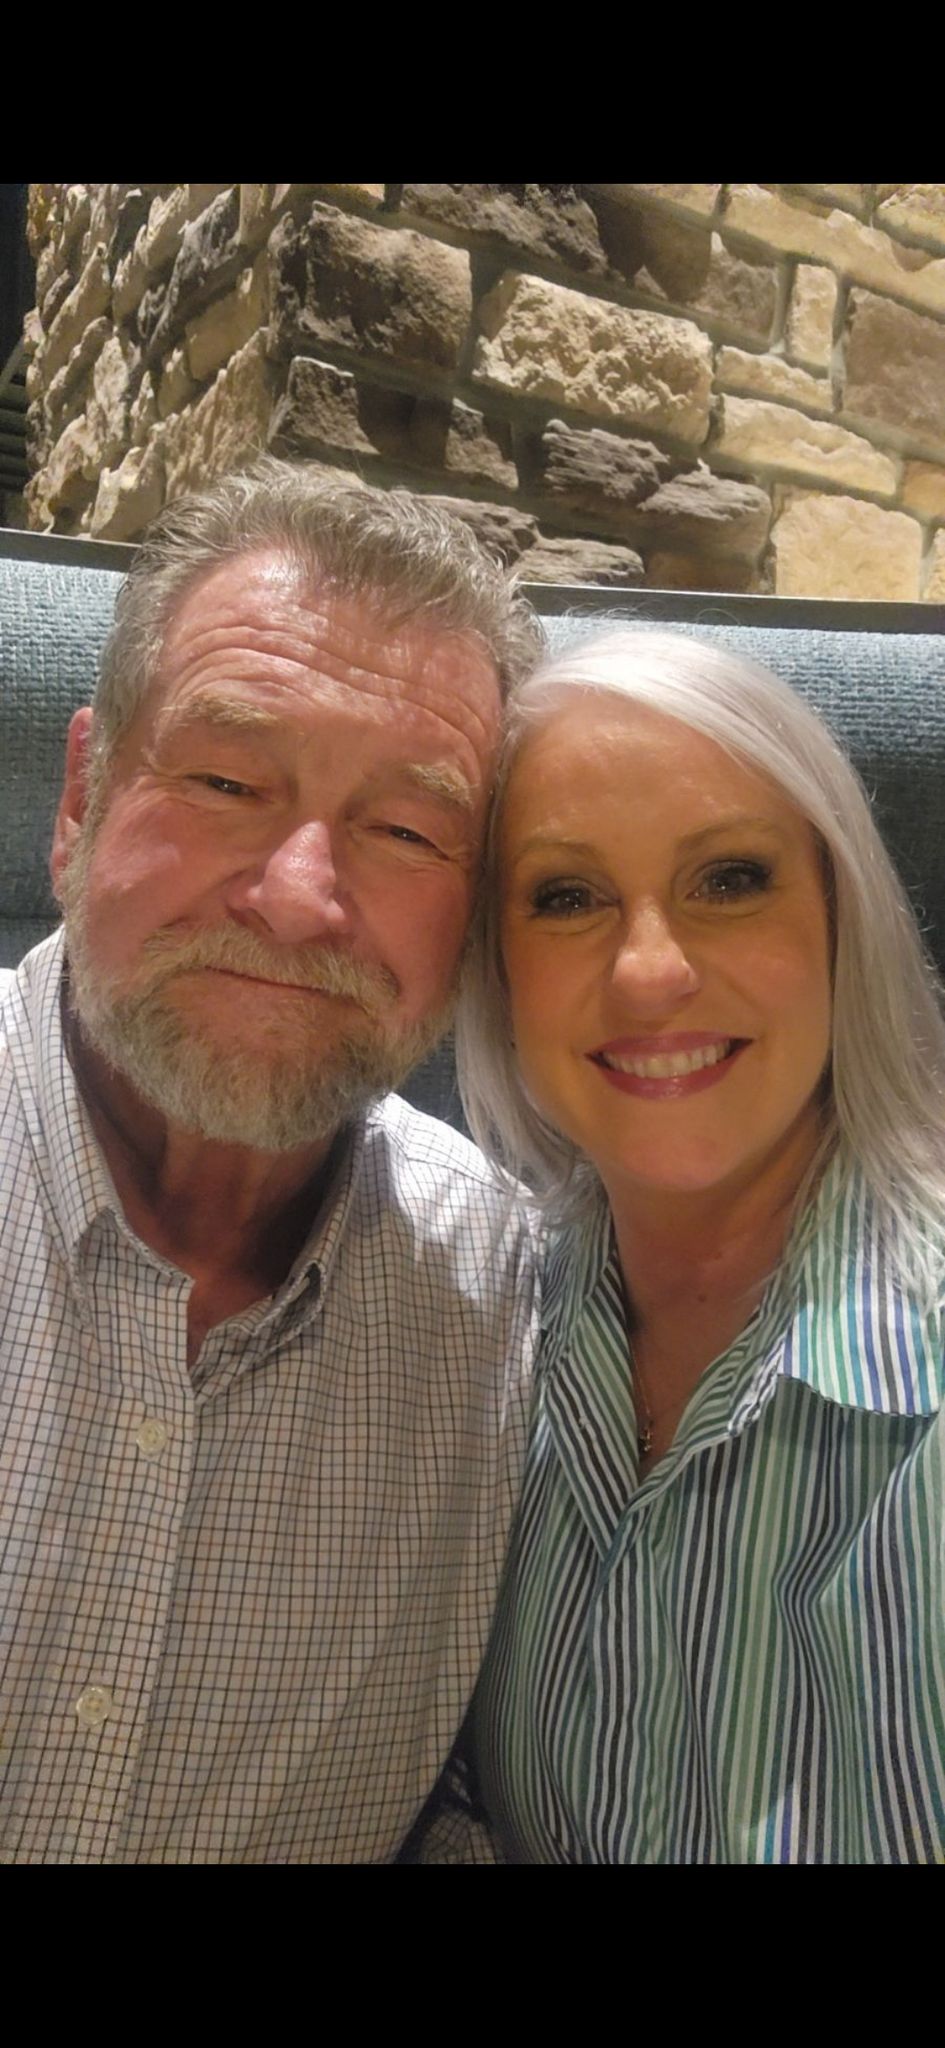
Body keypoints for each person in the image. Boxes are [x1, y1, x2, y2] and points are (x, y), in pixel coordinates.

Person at [0, 456, 544, 1865]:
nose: (300, 899)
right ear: (80, 798)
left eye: (409, 830)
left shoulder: (525, 1310)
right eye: (229, 779)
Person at [451, 625, 945, 1864]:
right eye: (566, 896)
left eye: (729, 877)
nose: (649, 970)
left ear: (843, 919)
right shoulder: (467, 1330)